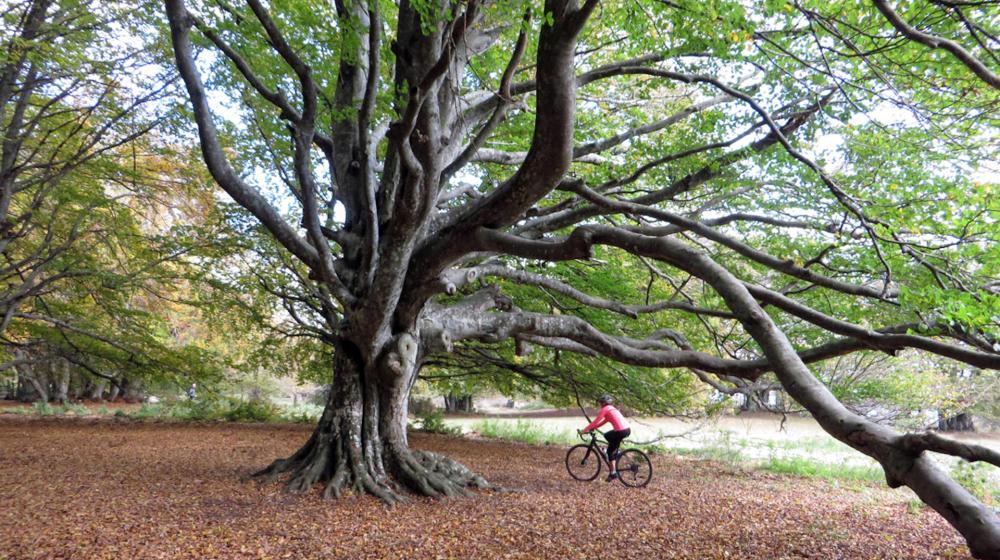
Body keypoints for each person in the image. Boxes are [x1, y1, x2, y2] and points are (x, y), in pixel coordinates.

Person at [580, 394, 631, 481]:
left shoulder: (605, 409)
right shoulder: (612, 409)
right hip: (626, 430)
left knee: (609, 451)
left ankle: (613, 473)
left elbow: (596, 421)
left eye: (601, 403)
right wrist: (593, 428)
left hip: (620, 431)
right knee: (607, 435)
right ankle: (616, 451)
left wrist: (584, 430)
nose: (600, 404)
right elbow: (603, 422)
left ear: (603, 403)